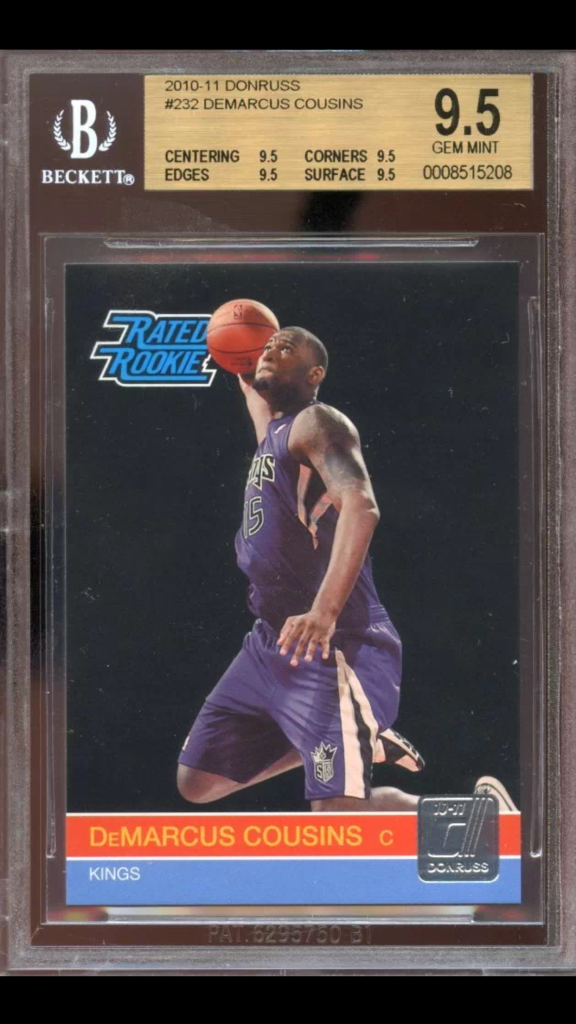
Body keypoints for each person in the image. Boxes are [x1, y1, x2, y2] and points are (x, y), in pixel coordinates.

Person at [177, 326, 516, 815]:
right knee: (198, 780)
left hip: (334, 644)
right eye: (267, 346)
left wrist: (324, 611)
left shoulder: (317, 423)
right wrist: (241, 354)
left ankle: (480, 817)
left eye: (285, 348)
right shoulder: (273, 435)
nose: (270, 351)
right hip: (270, 643)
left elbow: (362, 505)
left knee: (337, 820)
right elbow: (252, 386)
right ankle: (365, 737)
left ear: (314, 374)